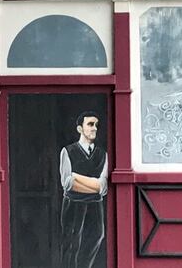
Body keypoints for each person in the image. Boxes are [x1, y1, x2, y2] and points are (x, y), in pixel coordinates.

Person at [59, 111, 108, 268]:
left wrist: (76, 177)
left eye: (96, 125)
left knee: (97, 237)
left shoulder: (102, 154)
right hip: (73, 205)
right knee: (72, 241)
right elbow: (67, 184)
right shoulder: (68, 151)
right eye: (90, 124)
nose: (94, 128)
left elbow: (102, 187)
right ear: (80, 129)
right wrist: (93, 185)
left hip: (95, 205)